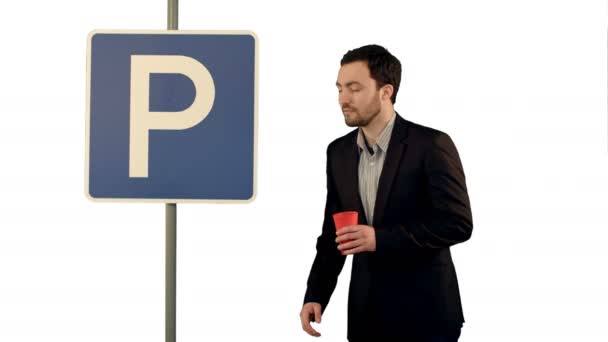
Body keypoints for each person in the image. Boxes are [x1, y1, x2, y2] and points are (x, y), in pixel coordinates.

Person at [300, 45, 473, 342]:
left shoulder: (431, 145)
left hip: (426, 316)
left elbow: (457, 223)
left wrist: (379, 238)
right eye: (340, 88)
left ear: (386, 91)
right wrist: (316, 293)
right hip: (366, 317)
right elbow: (334, 232)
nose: (343, 99)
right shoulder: (338, 152)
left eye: (354, 88)